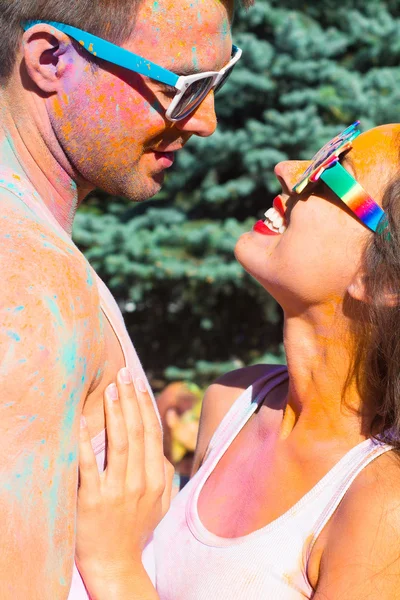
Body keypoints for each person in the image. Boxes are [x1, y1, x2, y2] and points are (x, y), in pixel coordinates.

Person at [76, 122, 400, 599]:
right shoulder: (233, 401)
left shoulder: (381, 503)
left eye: (332, 168)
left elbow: (124, 569)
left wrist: (114, 565)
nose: (287, 171)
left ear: (384, 283)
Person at [0, 0, 253, 597]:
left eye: (219, 81)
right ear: (50, 59)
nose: (205, 120)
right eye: (186, 85)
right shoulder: (31, 285)